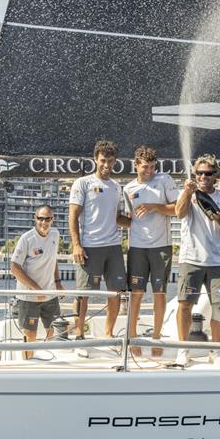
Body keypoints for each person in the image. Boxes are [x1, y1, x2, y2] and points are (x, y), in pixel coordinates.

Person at [174, 154, 220, 367]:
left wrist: (218, 216)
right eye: (199, 173)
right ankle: (183, 349)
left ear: (215, 175)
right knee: (184, 305)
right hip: (191, 259)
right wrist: (187, 191)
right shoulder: (188, 193)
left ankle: (216, 351)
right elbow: (179, 213)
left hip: (218, 261)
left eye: (208, 173)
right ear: (195, 174)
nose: (203, 176)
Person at [69, 140, 130, 341]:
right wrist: (76, 245)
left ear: (115, 162)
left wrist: (142, 220)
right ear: (95, 159)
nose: (106, 165)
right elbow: (73, 216)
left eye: (111, 161)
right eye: (103, 160)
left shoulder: (116, 187)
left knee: (116, 293)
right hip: (89, 246)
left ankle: (108, 334)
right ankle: (79, 334)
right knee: (82, 294)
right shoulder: (83, 183)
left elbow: (117, 217)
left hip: (113, 247)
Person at [123, 145, 178, 357]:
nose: (150, 171)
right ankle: (133, 336)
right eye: (145, 167)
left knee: (159, 293)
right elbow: (128, 219)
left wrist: (155, 206)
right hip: (137, 247)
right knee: (136, 293)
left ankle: (156, 337)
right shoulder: (127, 188)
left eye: (153, 167)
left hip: (161, 246)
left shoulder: (164, 180)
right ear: (135, 165)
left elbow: (177, 209)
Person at [10, 205, 63, 360]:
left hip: (50, 293)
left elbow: (53, 259)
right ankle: (28, 364)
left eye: (47, 218)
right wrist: (36, 289)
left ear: (52, 220)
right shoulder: (27, 239)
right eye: (40, 218)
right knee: (30, 333)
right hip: (29, 297)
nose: (44, 222)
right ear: (35, 219)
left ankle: (48, 361)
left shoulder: (55, 234)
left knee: (52, 330)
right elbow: (14, 268)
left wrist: (58, 282)